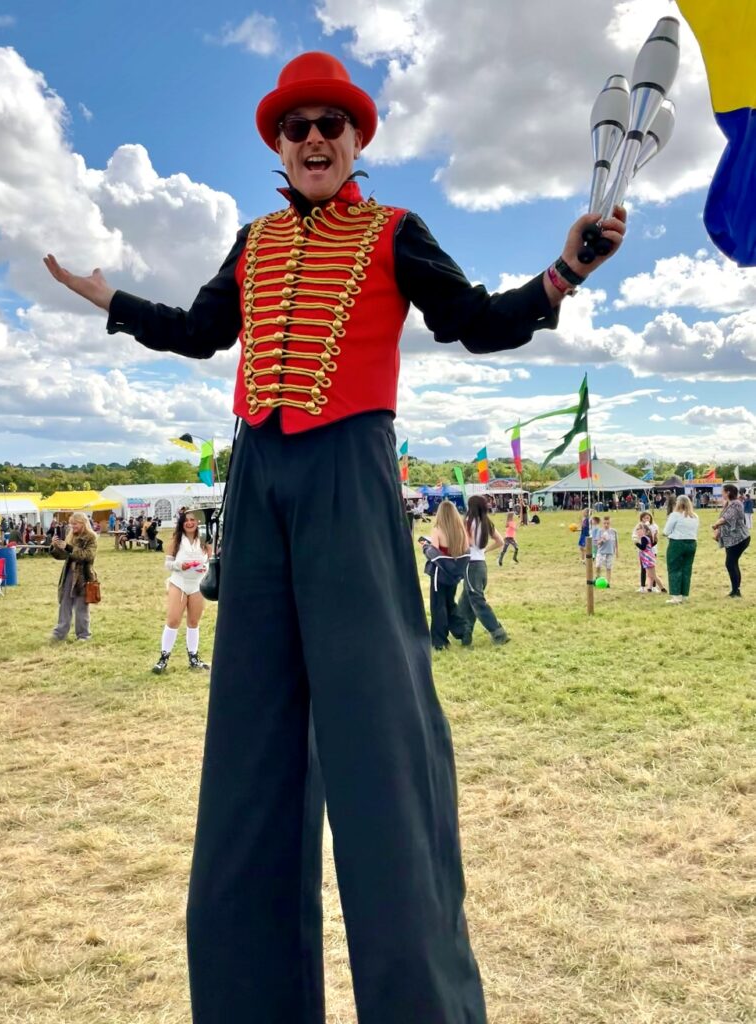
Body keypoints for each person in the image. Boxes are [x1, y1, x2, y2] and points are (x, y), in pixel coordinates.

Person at [44, 49, 625, 1024]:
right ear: (277, 141)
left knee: (378, 745)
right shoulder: (253, 238)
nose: (314, 138)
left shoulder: (396, 232)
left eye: (331, 124)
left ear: (355, 140)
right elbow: (198, 332)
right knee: (248, 752)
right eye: (295, 125)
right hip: (256, 476)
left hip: (351, 473)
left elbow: (473, 321)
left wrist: (562, 270)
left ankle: (422, 1003)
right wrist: (112, 300)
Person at [153, 511, 211, 673]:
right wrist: (180, 565)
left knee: (193, 622)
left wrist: (205, 567)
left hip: (198, 584)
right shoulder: (176, 540)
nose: (190, 523)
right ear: (181, 523)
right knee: (173, 620)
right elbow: (168, 564)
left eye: (193, 520)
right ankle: (163, 658)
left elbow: (211, 560)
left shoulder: (205, 539)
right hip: (179, 582)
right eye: (186, 521)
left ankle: (194, 657)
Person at [419, 500, 470, 651]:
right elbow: (464, 552)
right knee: (450, 603)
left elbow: (434, 552)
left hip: (439, 575)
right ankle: (463, 630)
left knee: (438, 606)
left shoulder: (437, 529)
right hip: (454, 575)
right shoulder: (461, 531)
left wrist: (425, 546)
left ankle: (440, 641)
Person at [457, 495, 508, 646]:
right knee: (466, 601)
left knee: (477, 602)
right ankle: (464, 633)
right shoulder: (487, 522)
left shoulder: (467, 523)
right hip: (481, 565)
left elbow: (466, 542)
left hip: (470, 565)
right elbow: (500, 541)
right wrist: (484, 551)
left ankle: (498, 633)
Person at [50, 512, 97, 641]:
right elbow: (63, 556)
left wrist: (68, 548)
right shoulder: (70, 536)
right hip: (68, 575)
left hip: (83, 577)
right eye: (71, 524)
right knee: (64, 605)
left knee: (81, 608)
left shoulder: (91, 538)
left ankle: (83, 635)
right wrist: (55, 546)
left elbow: (87, 556)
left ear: (83, 523)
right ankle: (59, 633)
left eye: (75, 524)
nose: (72, 526)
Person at [711, 483, 750, 598]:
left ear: (728, 492)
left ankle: (735, 591)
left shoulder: (736, 504)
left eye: (722, 491)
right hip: (732, 539)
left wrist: (715, 525)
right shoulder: (729, 504)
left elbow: (726, 518)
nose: (721, 493)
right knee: (733, 563)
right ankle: (736, 590)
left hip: (739, 538)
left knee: (730, 563)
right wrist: (718, 532)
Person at [663, 495, 699, 605]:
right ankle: (684, 595)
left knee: (674, 569)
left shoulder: (675, 515)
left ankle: (676, 596)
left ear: (678, 503)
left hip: (677, 543)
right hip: (691, 543)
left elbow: (666, 531)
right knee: (686, 569)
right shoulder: (695, 516)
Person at [631, 510, 659, 591]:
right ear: (641, 519)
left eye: (648, 517)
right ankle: (642, 586)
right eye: (644, 518)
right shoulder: (639, 526)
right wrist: (636, 541)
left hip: (652, 551)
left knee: (652, 570)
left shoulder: (654, 526)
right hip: (642, 552)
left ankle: (654, 587)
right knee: (643, 569)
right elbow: (634, 535)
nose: (646, 519)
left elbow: (655, 539)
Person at [634, 523, 665, 593]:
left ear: (643, 530)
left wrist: (636, 543)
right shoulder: (647, 538)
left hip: (648, 559)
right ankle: (649, 588)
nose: (637, 531)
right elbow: (651, 545)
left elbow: (643, 547)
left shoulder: (643, 538)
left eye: (638, 529)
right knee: (650, 574)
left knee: (653, 575)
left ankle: (662, 588)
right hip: (649, 558)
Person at [595, 514, 618, 586]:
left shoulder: (614, 531)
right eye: (605, 523)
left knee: (609, 567)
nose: (606, 525)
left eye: (608, 523)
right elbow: (597, 542)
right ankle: (597, 578)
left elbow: (616, 542)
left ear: (610, 523)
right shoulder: (600, 531)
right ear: (602, 523)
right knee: (598, 566)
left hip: (610, 552)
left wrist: (617, 551)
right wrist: (602, 539)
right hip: (601, 552)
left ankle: (608, 582)